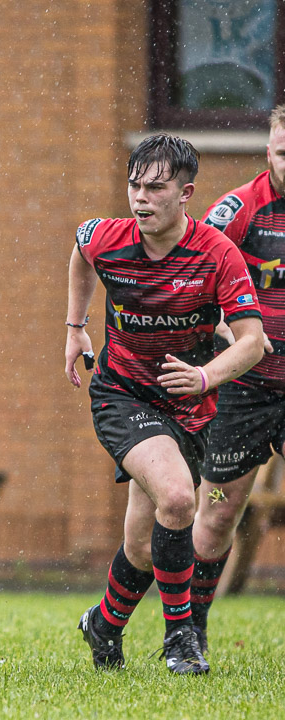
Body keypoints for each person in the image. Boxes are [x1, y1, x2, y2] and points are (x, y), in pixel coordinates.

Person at [66, 133, 266, 675]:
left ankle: (104, 624)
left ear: (186, 194)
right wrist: (75, 328)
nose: (140, 198)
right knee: (179, 500)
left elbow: (253, 341)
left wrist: (204, 376)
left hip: (191, 404)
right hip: (124, 392)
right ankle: (180, 637)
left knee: (141, 546)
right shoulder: (108, 237)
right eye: (134, 185)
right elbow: (81, 251)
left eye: (155, 188)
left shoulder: (217, 252)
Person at [188, 104, 285, 653]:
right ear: (268, 152)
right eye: (282, 152)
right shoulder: (237, 211)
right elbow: (194, 280)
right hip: (245, 388)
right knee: (218, 513)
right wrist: (232, 335)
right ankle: (190, 630)